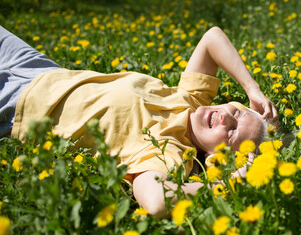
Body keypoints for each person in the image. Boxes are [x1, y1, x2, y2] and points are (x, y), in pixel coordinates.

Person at [0, 25, 278, 217]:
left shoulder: (168, 151)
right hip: (39, 68)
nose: (226, 118)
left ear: (214, 158)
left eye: (230, 134)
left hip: (17, 104)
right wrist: (252, 90)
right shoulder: (192, 99)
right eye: (238, 113)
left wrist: (228, 184)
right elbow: (212, 37)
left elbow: (156, 203)